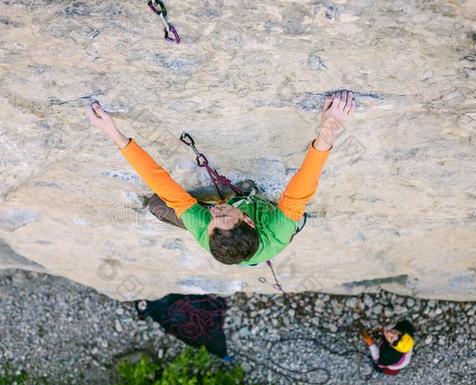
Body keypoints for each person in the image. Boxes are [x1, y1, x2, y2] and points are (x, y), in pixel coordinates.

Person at [86, 91, 356, 265]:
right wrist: (328, 129)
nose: (214, 212)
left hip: (224, 230)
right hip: (268, 224)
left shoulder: (206, 231)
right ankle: (244, 201)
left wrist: (113, 134)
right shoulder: (278, 230)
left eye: (213, 220)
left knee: (158, 204)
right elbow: (303, 187)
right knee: (292, 209)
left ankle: (231, 202)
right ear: (248, 220)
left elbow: (164, 184)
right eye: (223, 215)